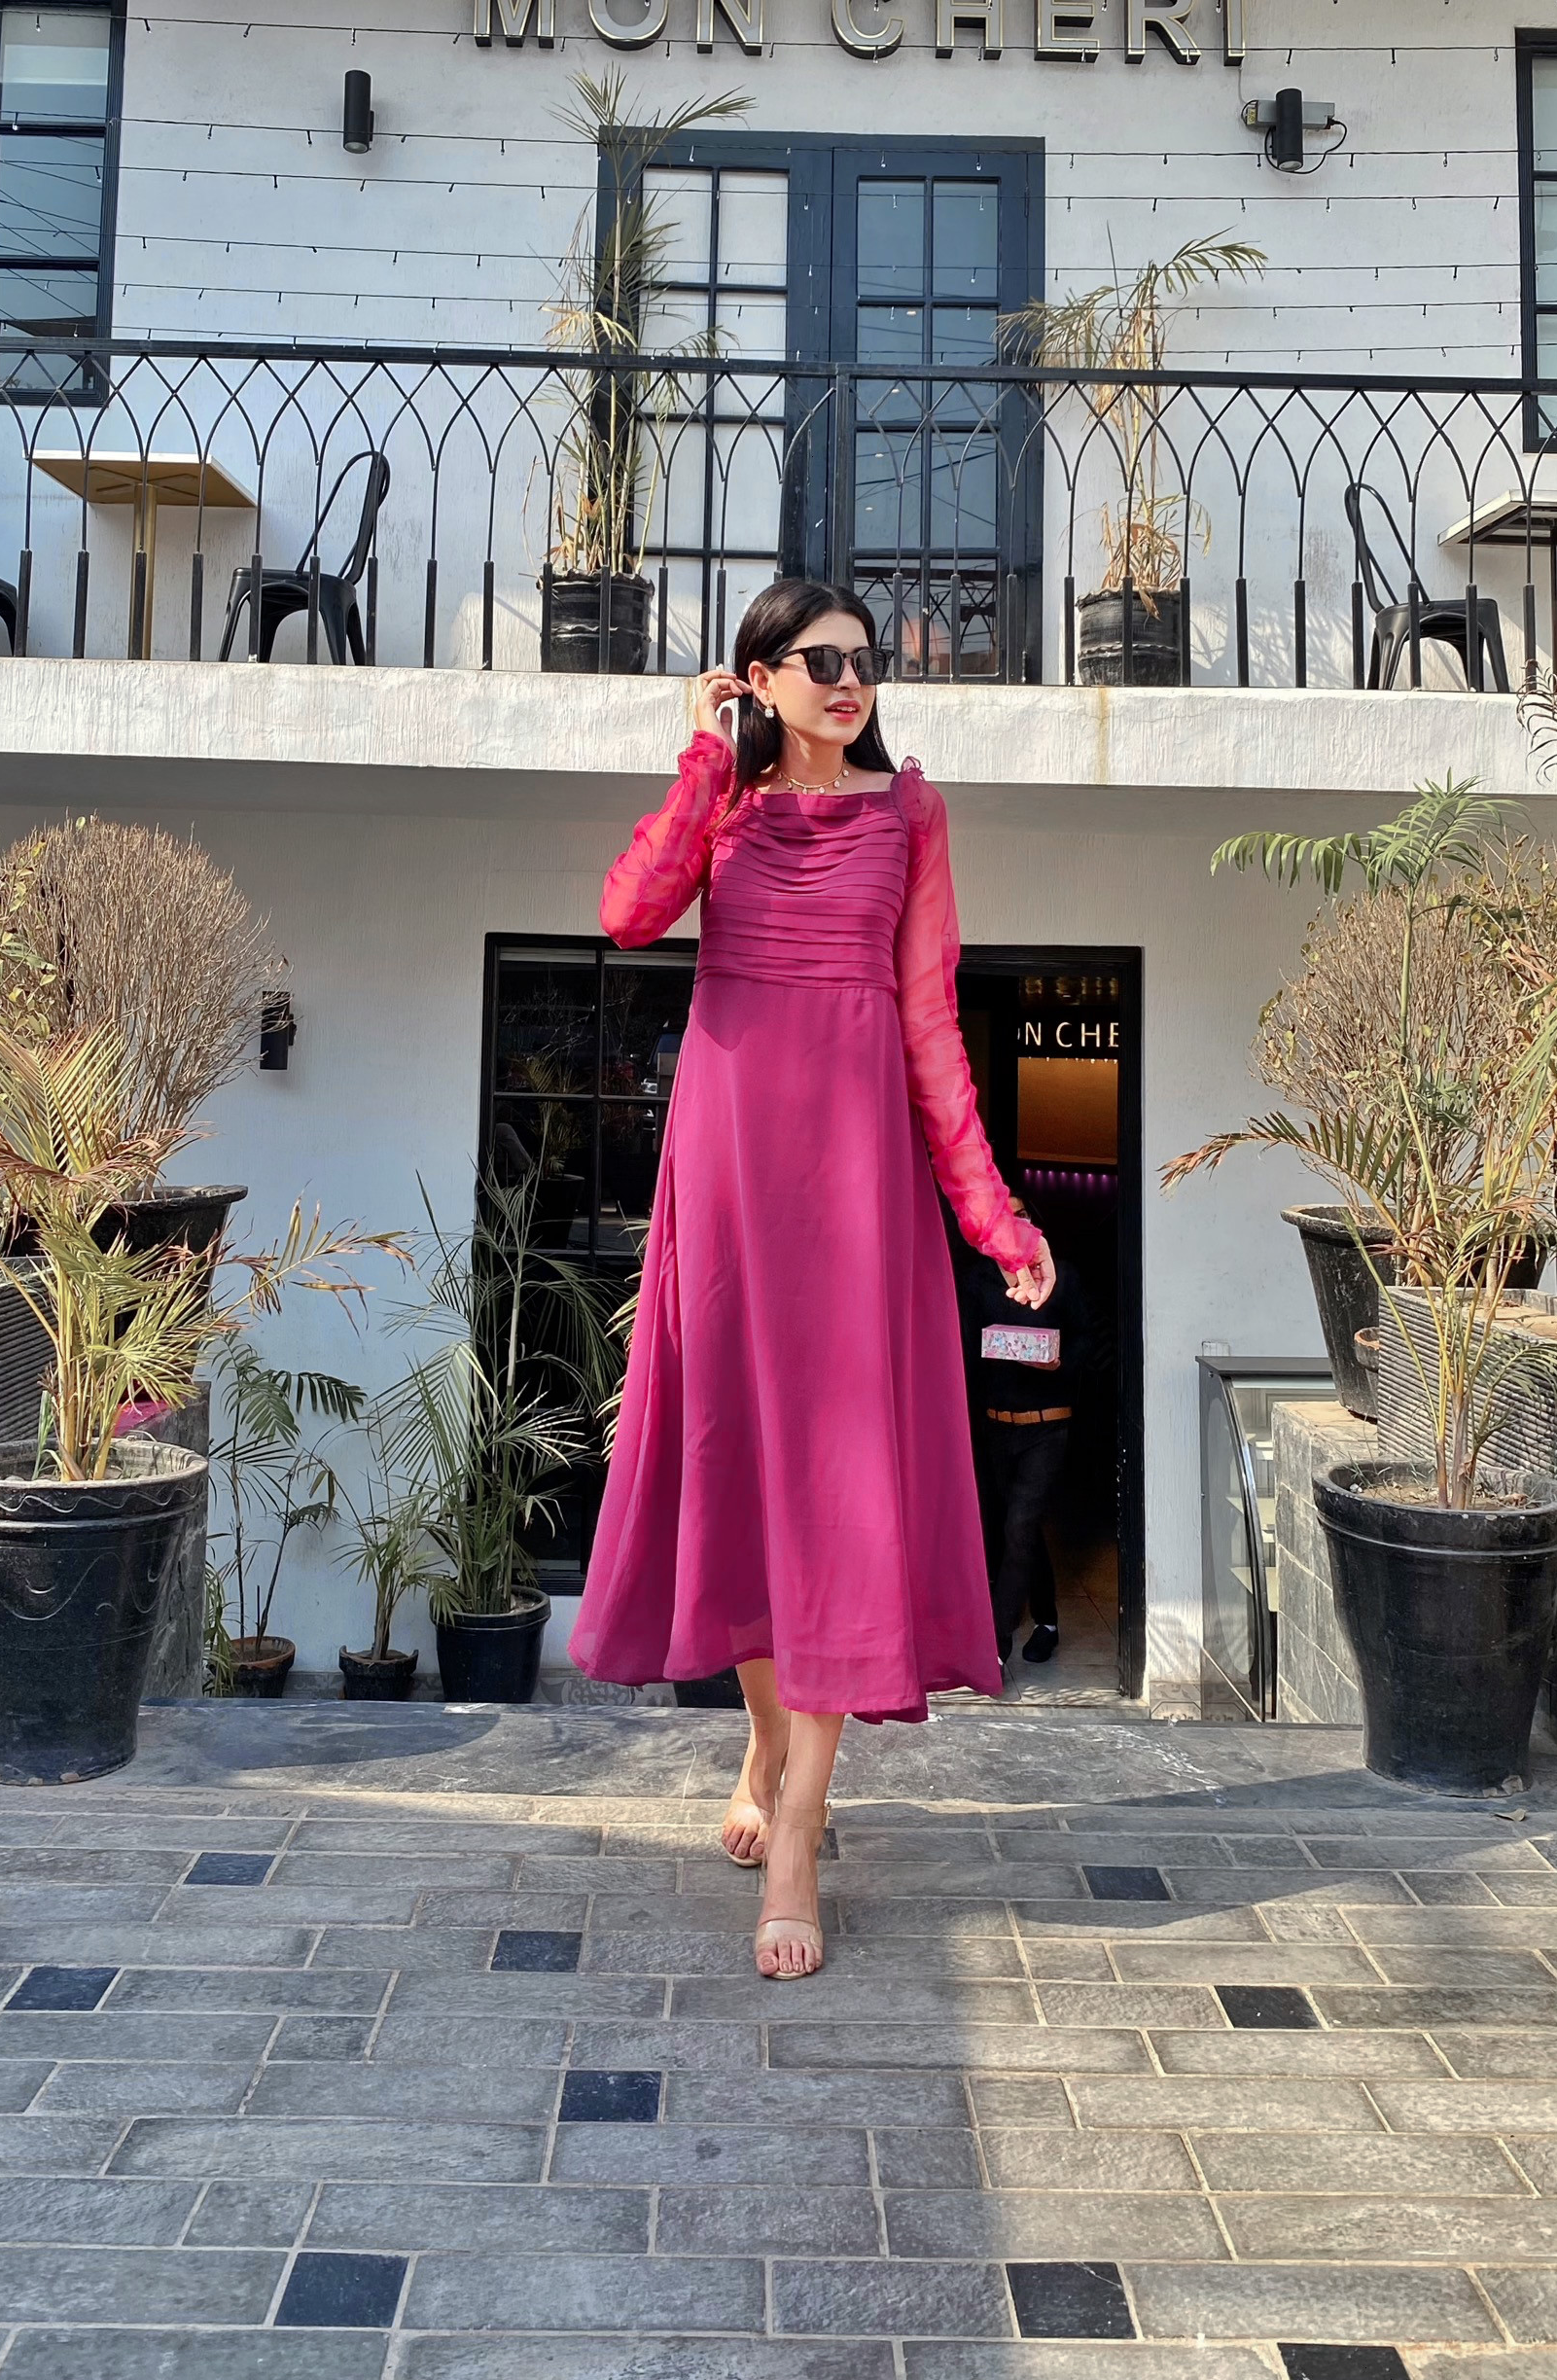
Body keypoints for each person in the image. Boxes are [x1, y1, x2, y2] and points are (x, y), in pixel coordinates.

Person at [570, 578, 1054, 1979]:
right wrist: (702, 758)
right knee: (743, 1468)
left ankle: (798, 1827)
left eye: (865, 660)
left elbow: (930, 1024)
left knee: (838, 1489)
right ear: (760, 678)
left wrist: (993, 1215)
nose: (850, 680)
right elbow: (630, 914)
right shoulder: (722, 800)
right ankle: (766, 1742)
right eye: (820, 660)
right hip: (728, 1168)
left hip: (851, 1183)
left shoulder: (911, 815)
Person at [961, 1195, 1100, 1665]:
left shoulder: (1060, 1276)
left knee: (1020, 1524)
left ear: (1034, 1222)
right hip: (997, 1426)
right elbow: (964, 1349)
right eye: (1004, 1214)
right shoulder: (978, 1281)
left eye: (1021, 1213)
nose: (1014, 1221)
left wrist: (1059, 1363)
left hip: (1048, 1424)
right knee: (1019, 1528)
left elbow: (1086, 1337)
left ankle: (996, 1643)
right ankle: (1047, 1621)